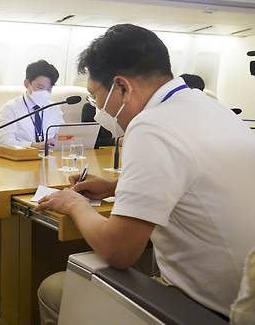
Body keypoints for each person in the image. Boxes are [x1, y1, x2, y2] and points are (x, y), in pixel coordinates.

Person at [35, 24, 255, 323]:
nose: (97, 108)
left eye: (95, 97)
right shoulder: (210, 107)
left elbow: (118, 251)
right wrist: (115, 186)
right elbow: (195, 179)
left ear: (122, 87)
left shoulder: (151, 126)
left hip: (209, 310)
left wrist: (74, 205)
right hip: (241, 293)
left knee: (54, 289)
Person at [0, 60, 64, 148]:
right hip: (22, 158)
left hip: (51, 157)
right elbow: (5, 141)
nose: (45, 92)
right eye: (40, 87)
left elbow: (63, 136)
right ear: (27, 83)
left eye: (49, 89)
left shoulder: (54, 108)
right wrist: (34, 146)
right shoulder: (10, 109)